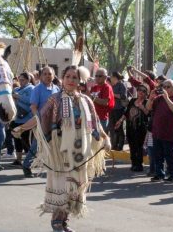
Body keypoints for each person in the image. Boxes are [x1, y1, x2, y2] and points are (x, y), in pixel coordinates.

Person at [12, 65, 111, 232]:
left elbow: (96, 123)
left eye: (74, 77)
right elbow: (40, 117)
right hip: (61, 152)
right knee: (62, 185)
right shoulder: (55, 99)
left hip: (80, 152)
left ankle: (65, 220)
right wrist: (22, 128)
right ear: (63, 79)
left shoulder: (86, 101)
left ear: (80, 81)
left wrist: (105, 137)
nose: (71, 80)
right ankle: (56, 221)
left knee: (76, 185)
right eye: (68, 77)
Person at [22, 66, 60, 178]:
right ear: (41, 76)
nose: (48, 76)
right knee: (37, 145)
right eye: (45, 74)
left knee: (54, 145)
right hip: (42, 122)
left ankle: (53, 167)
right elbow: (33, 106)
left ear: (53, 76)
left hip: (54, 123)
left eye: (50, 74)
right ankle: (26, 165)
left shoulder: (57, 89)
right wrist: (39, 119)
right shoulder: (37, 89)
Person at [147, 79, 173, 183]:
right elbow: (148, 108)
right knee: (157, 155)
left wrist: (167, 98)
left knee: (170, 155)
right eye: (164, 87)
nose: (166, 89)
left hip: (170, 131)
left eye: (168, 87)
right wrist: (150, 98)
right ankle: (159, 174)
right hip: (157, 131)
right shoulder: (158, 99)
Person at [115, 84, 149, 171]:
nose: (141, 92)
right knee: (132, 146)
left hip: (141, 128)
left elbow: (148, 114)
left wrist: (142, 107)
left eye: (143, 91)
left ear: (146, 93)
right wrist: (120, 121)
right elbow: (127, 113)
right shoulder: (133, 100)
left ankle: (139, 164)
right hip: (130, 127)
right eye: (139, 90)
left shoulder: (147, 102)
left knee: (139, 146)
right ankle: (134, 163)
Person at [11, 72, 35, 166]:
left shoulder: (31, 88)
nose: (20, 81)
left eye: (23, 80)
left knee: (25, 139)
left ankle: (29, 159)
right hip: (16, 117)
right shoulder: (16, 88)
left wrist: (18, 96)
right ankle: (18, 159)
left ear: (28, 80)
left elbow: (31, 101)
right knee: (16, 139)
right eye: (19, 80)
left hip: (26, 118)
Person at [90, 68, 114, 133]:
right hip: (92, 117)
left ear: (105, 77)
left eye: (100, 76)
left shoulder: (107, 87)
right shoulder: (94, 87)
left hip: (102, 118)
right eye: (96, 76)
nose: (97, 77)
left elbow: (105, 102)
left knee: (101, 140)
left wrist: (92, 97)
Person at [109, 71, 127, 150]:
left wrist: (112, 94)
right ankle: (114, 144)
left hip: (119, 109)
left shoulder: (121, 85)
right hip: (112, 108)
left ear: (115, 77)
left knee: (119, 127)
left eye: (112, 76)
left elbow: (123, 96)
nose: (110, 78)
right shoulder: (111, 85)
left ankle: (120, 145)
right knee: (113, 127)